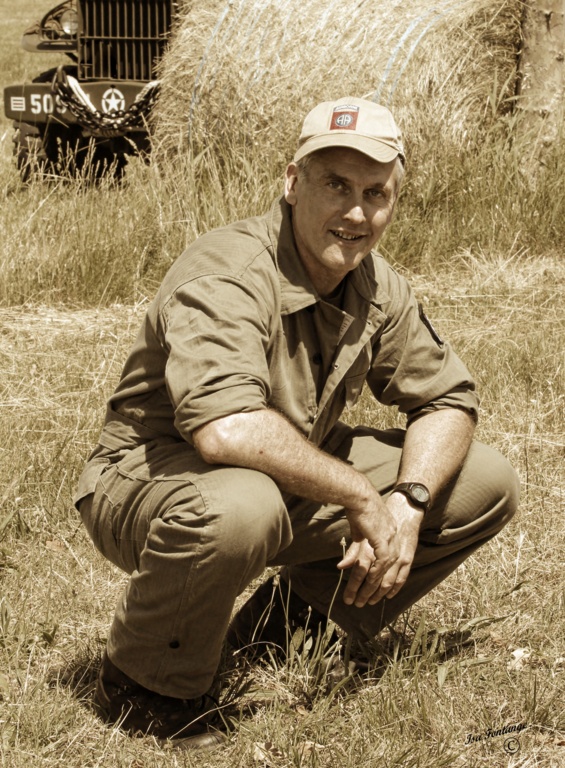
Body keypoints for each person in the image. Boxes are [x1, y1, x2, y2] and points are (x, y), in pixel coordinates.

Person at [76, 97, 519, 749]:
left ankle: (285, 628)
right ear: (291, 182)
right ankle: (145, 686)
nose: (356, 213)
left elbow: (447, 400)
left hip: (280, 476)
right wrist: (360, 495)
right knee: (241, 507)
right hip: (149, 480)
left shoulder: (375, 284)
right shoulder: (230, 270)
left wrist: (407, 500)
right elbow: (224, 429)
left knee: (483, 480)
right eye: (336, 185)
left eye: (375, 193)